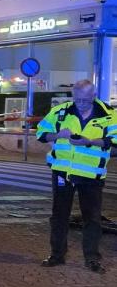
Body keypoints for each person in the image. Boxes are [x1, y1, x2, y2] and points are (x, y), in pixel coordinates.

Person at [37, 79, 117, 273]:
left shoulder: (110, 115)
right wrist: (58, 135)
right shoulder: (61, 111)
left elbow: (115, 145)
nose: (80, 104)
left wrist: (89, 142)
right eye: (77, 100)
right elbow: (41, 134)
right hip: (63, 173)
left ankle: (92, 258)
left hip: (91, 175)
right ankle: (57, 255)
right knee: (59, 216)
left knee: (92, 219)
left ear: (94, 96)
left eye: (85, 100)